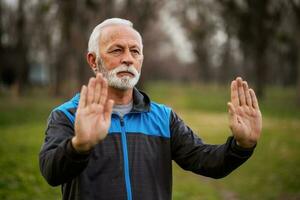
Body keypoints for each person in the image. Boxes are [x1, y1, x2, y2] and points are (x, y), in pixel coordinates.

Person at [39, 18, 262, 200]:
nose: (128, 59)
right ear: (93, 60)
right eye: (117, 50)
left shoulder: (163, 118)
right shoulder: (67, 115)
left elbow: (208, 162)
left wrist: (242, 146)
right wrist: (79, 146)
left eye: (135, 51)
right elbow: (51, 172)